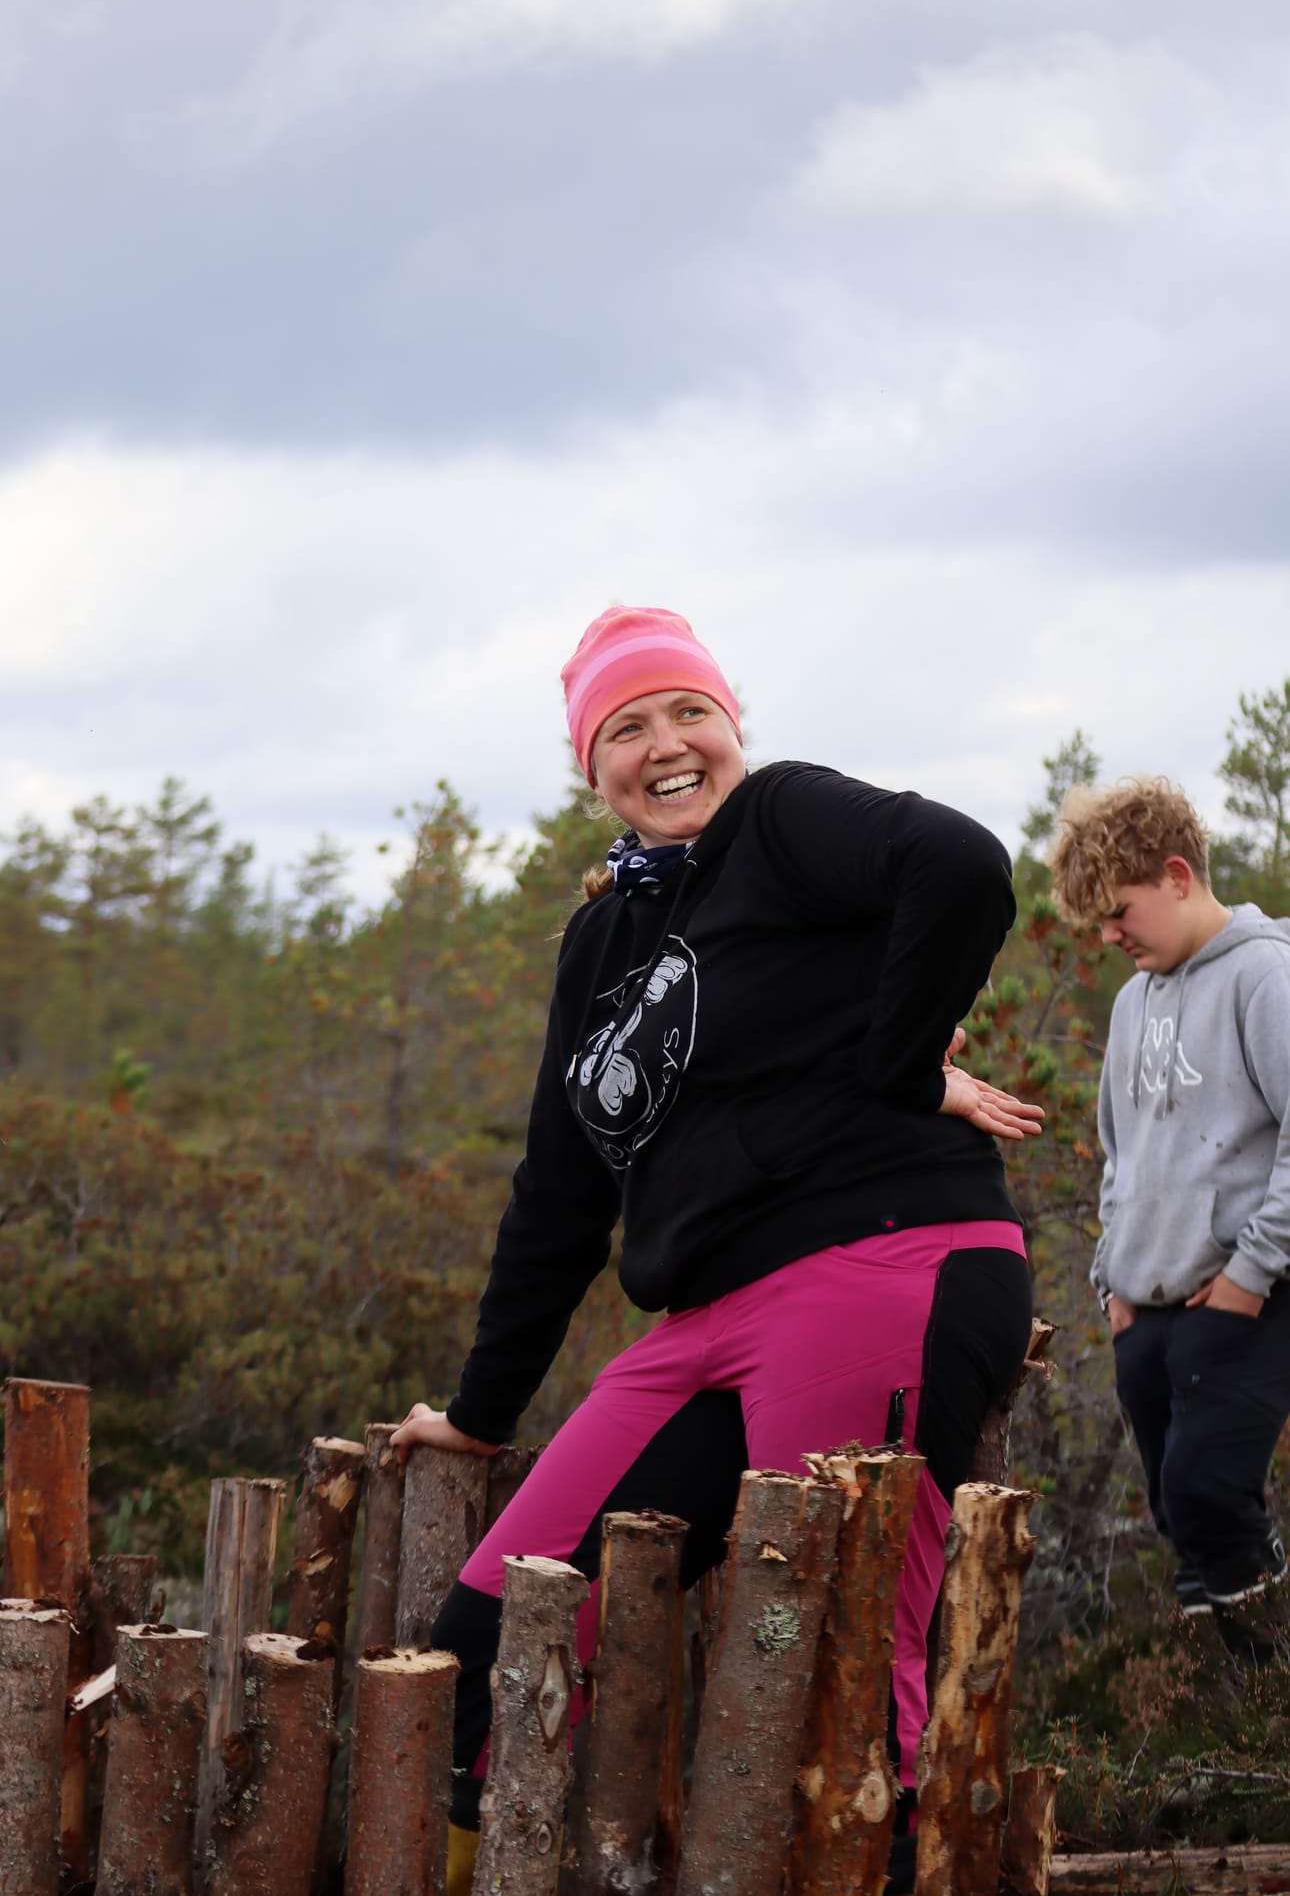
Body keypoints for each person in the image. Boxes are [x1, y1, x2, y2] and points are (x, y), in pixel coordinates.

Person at [393, 605, 1042, 1891]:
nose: (667, 743)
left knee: (847, 1692)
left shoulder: (781, 821)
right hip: (697, 1324)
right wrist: (482, 1409)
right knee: (481, 1651)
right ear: (595, 776)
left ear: (734, 723)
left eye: (690, 710)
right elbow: (560, 1194)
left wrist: (902, 1068)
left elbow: (960, 868)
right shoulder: (602, 942)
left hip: (878, 1261)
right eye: (626, 728)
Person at [1048, 776, 1290, 1662]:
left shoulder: (1265, 975)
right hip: (1143, 1311)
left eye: (1118, 912)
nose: (1109, 937)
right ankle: (1232, 1710)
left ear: (1178, 875)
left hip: (1244, 1300)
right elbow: (1122, 1152)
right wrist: (1110, 1278)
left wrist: (1248, 1277)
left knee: (1208, 1492)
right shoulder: (1134, 999)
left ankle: (1270, 1703)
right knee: (1178, 1513)